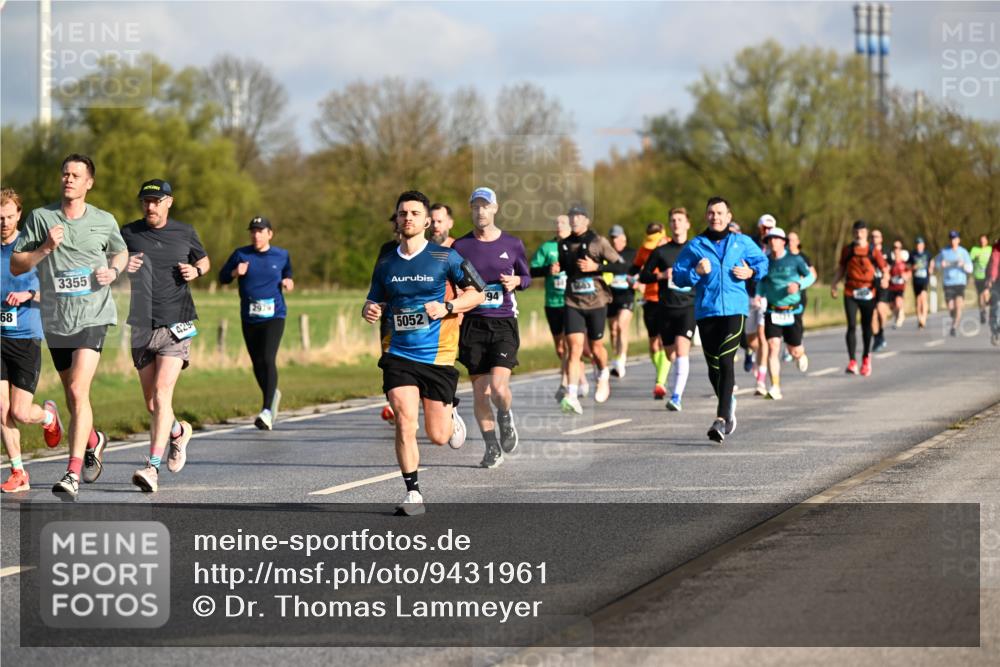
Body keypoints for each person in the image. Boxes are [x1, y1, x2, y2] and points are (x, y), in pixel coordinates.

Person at [362, 190, 484, 516]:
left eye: (415, 213)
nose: (408, 218)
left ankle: (450, 413)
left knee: (439, 436)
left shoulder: (446, 257)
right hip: (398, 352)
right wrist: (370, 308)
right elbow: (373, 298)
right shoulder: (386, 261)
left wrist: (448, 307)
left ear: (427, 221)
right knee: (404, 420)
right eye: (403, 213)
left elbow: (478, 293)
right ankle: (413, 492)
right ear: (397, 219)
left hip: (437, 355)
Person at [11, 154, 124, 501]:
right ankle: (93, 439)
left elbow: (120, 252)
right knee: (73, 397)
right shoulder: (41, 218)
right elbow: (17, 264)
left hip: (94, 315)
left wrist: (113, 271)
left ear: (89, 183)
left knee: (77, 389)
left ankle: (72, 473)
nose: (69, 179)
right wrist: (45, 248)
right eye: (65, 174)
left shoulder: (104, 220)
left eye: (76, 175)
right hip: (57, 318)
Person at [120, 179, 207, 493]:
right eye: (146, 201)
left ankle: (152, 468)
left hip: (177, 323)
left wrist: (196, 271)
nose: (150, 206)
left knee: (161, 393)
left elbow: (204, 260)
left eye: (156, 201)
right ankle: (178, 432)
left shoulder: (185, 232)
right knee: (152, 404)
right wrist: (122, 264)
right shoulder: (128, 232)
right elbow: (107, 262)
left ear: (169, 202)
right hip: (142, 324)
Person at [673, 197, 768, 443]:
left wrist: (751, 272)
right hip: (707, 311)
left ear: (728, 216)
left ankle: (721, 418)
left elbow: (763, 263)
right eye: (711, 213)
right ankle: (729, 402)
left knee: (726, 360)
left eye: (719, 213)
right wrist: (696, 272)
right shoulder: (696, 245)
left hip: (735, 309)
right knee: (714, 366)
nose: (715, 217)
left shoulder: (742, 242)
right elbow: (678, 275)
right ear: (706, 216)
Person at [452, 187, 531, 468]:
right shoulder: (460, 247)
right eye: (475, 206)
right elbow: (450, 280)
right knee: (480, 393)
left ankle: (505, 417)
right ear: (471, 210)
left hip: (503, 323)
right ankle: (491, 447)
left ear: (495, 208)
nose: (480, 211)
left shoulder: (512, 244)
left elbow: (526, 277)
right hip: (473, 325)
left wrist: (516, 282)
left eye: (485, 206)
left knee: (498, 388)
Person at [1, 188, 63, 493]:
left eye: (8, 216)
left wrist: (29, 294)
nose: (3, 222)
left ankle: (48, 416)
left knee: (21, 413)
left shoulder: (32, 247)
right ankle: (18, 472)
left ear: (18, 215)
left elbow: (55, 289)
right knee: (2, 410)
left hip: (26, 337)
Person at [218, 216, 293, 429]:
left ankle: (267, 411)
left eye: (260, 231)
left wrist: (288, 281)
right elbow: (222, 277)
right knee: (257, 363)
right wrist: (235, 272)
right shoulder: (241, 254)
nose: (256, 235)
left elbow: (288, 272)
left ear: (270, 234)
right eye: (253, 231)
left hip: (274, 316)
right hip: (249, 317)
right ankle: (272, 393)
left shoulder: (282, 255)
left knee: (268, 359)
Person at [556, 205, 627, 414]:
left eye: (579, 216)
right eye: (571, 216)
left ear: (587, 220)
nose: (574, 220)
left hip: (596, 302)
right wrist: (556, 268)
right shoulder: (563, 244)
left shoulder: (599, 241)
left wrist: (597, 267)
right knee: (574, 348)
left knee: (596, 348)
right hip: (573, 301)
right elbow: (565, 267)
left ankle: (603, 374)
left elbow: (621, 266)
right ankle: (571, 395)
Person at [639, 208, 696, 411]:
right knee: (671, 354)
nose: (676, 223)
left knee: (682, 349)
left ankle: (676, 397)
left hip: (688, 306)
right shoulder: (661, 251)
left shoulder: (696, 249)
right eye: (673, 220)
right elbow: (643, 276)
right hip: (665, 308)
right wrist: (661, 275)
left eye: (680, 219)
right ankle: (676, 384)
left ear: (687, 224)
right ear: (669, 225)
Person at [756, 228, 814, 400]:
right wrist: (758, 294)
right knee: (773, 346)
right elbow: (762, 282)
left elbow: (810, 277)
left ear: (783, 242)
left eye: (776, 239)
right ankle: (775, 386)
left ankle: (800, 354)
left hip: (792, 311)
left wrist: (799, 284)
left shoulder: (795, 259)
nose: (772, 242)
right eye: (769, 239)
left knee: (794, 350)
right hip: (773, 310)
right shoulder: (766, 261)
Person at [830, 220, 888, 377]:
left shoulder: (873, 251)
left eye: (862, 232)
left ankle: (866, 358)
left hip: (868, 292)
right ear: (853, 233)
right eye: (856, 232)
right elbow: (841, 269)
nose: (859, 235)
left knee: (866, 327)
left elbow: (884, 268)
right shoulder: (847, 250)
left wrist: (885, 279)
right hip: (851, 292)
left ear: (866, 233)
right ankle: (852, 361)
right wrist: (834, 284)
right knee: (851, 326)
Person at [529, 214, 572, 401]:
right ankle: (578, 374)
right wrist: (548, 270)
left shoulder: (576, 246)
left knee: (570, 345)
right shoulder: (547, 247)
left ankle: (565, 382)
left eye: (563, 223)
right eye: (557, 223)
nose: (559, 226)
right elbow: (531, 270)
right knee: (560, 349)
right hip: (552, 303)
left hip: (572, 302)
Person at [630, 222, 669, 398]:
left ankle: (660, 381)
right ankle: (660, 373)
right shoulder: (643, 250)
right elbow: (633, 270)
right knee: (653, 344)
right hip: (649, 299)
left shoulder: (672, 248)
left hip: (667, 299)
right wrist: (633, 281)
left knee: (663, 341)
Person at [605, 225, 637, 378]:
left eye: (617, 237)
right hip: (611, 295)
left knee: (621, 326)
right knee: (613, 330)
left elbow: (641, 270)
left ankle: (621, 360)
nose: (614, 240)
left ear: (623, 238)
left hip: (627, 295)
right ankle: (616, 356)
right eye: (612, 238)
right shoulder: (607, 254)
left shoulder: (632, 253)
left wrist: (637, 281)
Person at [748, 214, 774, 395]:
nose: (767, 231)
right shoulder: (750, 243)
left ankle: (761, 381)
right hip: (749, 294)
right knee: (751, 340)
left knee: (763, 336)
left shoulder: (776, 246)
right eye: (765, 227)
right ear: (759, 228)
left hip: (765, 297)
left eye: (770, 228)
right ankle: (756, 356)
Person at [931, 230, 973, 337]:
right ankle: (954, 318)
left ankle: (954, 326)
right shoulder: (944, 252)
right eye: (951, 239)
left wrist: (963, 265)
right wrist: (941, 265)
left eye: (954, 239)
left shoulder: (963, 252)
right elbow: (936, 264)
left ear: (958, 240)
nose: (953, 241)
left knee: (958, 305)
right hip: (948, 283)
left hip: (960, 282)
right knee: (951, 307)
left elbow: (970, 268)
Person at [870, 229, 891, 352]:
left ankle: (881, 332)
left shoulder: (887, 251)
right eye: (872, 236)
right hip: (870, 285)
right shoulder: (867, 251)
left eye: (877, 236)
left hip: (883, 285)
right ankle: (877, 337)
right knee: (872, 314)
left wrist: (886, 277)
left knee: (881, 311)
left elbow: (892, 266)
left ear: (881, 239)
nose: (874, 238)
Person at [907, 236, 931, 329]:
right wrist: (912, 267)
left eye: (920, 244)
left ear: (923, 245)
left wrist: (931, 268)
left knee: (923, 297)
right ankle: (919, 318)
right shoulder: (912, 254)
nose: (919, 246)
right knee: (918, 300)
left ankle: (923, 318)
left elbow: (931, 262)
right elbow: (908, 265)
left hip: (924, 279)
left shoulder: (927, 254)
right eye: (917, 244)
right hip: (916, 280)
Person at [887, 239, 910, 328]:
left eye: (898, 248)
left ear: (901, 249)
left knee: (898, 302)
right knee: (891, 306)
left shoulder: (904, 263)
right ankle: (898, 316)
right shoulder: (890, 262)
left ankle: (900, 318)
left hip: (900, 287)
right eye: (894, 248)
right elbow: (887, 273)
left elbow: (909, 272)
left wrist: (906, 276)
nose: (896, 250)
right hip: (891, 287)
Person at [970, 233, 992, 325]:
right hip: (978, 275)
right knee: (980, 295)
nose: (982, 241)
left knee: (986, 293)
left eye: (984, 240)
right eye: (981, 240)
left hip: (988, 275)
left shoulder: (990, 249)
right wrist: (975, 258)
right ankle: (982, 311)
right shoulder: (974, 250)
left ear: (987, 241)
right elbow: (969, 260)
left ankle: (987, 304)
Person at [987, 236, 1000, 345]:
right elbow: (994, 264)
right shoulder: (996, 248)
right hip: (997, 281)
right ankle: (996, 331)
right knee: (997, 307)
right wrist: (992, 278)